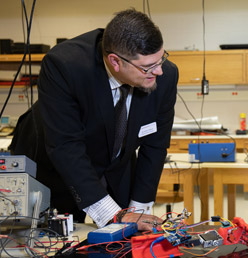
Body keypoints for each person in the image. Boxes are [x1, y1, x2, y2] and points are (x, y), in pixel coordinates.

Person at [9, 9, 179, 230]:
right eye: (148, 67)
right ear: (115, 62)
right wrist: (112, 214)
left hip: (116, 165)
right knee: (59, 244)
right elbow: (66, 146)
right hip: (58, 169)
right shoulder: (65, 66)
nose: (159, 72)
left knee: (123, 244)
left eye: (161, 59)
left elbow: (155, 146)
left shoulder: (165, 76)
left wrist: (137, 212)